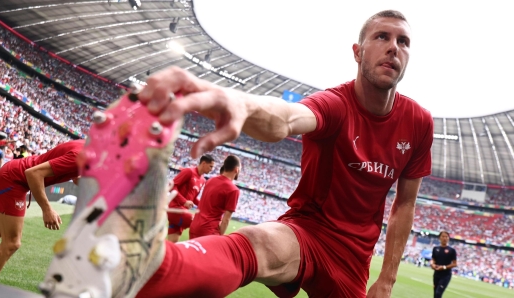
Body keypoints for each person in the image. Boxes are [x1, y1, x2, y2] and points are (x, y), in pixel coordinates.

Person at [134, 9, 433, 298]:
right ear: (357, 52)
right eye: (382, 37)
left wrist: (387, 279)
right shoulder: (336, 104)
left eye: (403, 41)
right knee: (259, 243)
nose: (393, 48)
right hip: (308, 231)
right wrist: (240, 103)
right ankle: (143, 272)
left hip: (354, 261)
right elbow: (287, 118)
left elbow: (405, 204)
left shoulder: (418, 122)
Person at [0, 139, 84, 281]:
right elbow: (33, 173)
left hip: (13, 172)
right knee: (12, 243)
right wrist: (47, 209)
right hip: (15, 179)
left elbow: (76, 175)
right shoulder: (83, 155)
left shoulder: (88, 147)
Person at [189, 155, 241, 239]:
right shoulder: (233, 190)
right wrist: (219, 237)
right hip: (208, 231)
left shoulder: (210, 180)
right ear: (236, 169)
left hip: (195, 226)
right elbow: (226, 220)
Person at [167, 154, 215, 243]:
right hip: (175, 209)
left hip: (183, 211)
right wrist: (184, 201)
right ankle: (197, 252)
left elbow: (193, 198)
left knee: (171, 244)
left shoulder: (203, 180)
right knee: (199, 224)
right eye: (210, 166)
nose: (212, 169)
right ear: (204, 163)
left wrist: (205, 206)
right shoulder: (189, 172)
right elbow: (172, 186)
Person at [430, 231, 457, 298]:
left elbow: (454, 264)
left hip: (446, 275)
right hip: (436, 274)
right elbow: (433, 259)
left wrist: (444, 267)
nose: (445, 238)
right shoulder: (435, 249)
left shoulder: (451, 250)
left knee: (438, 293)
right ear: (439, 238)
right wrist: (432, 264)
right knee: (435, 294)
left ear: (448, 238)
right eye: (443, 236)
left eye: (446, 237)